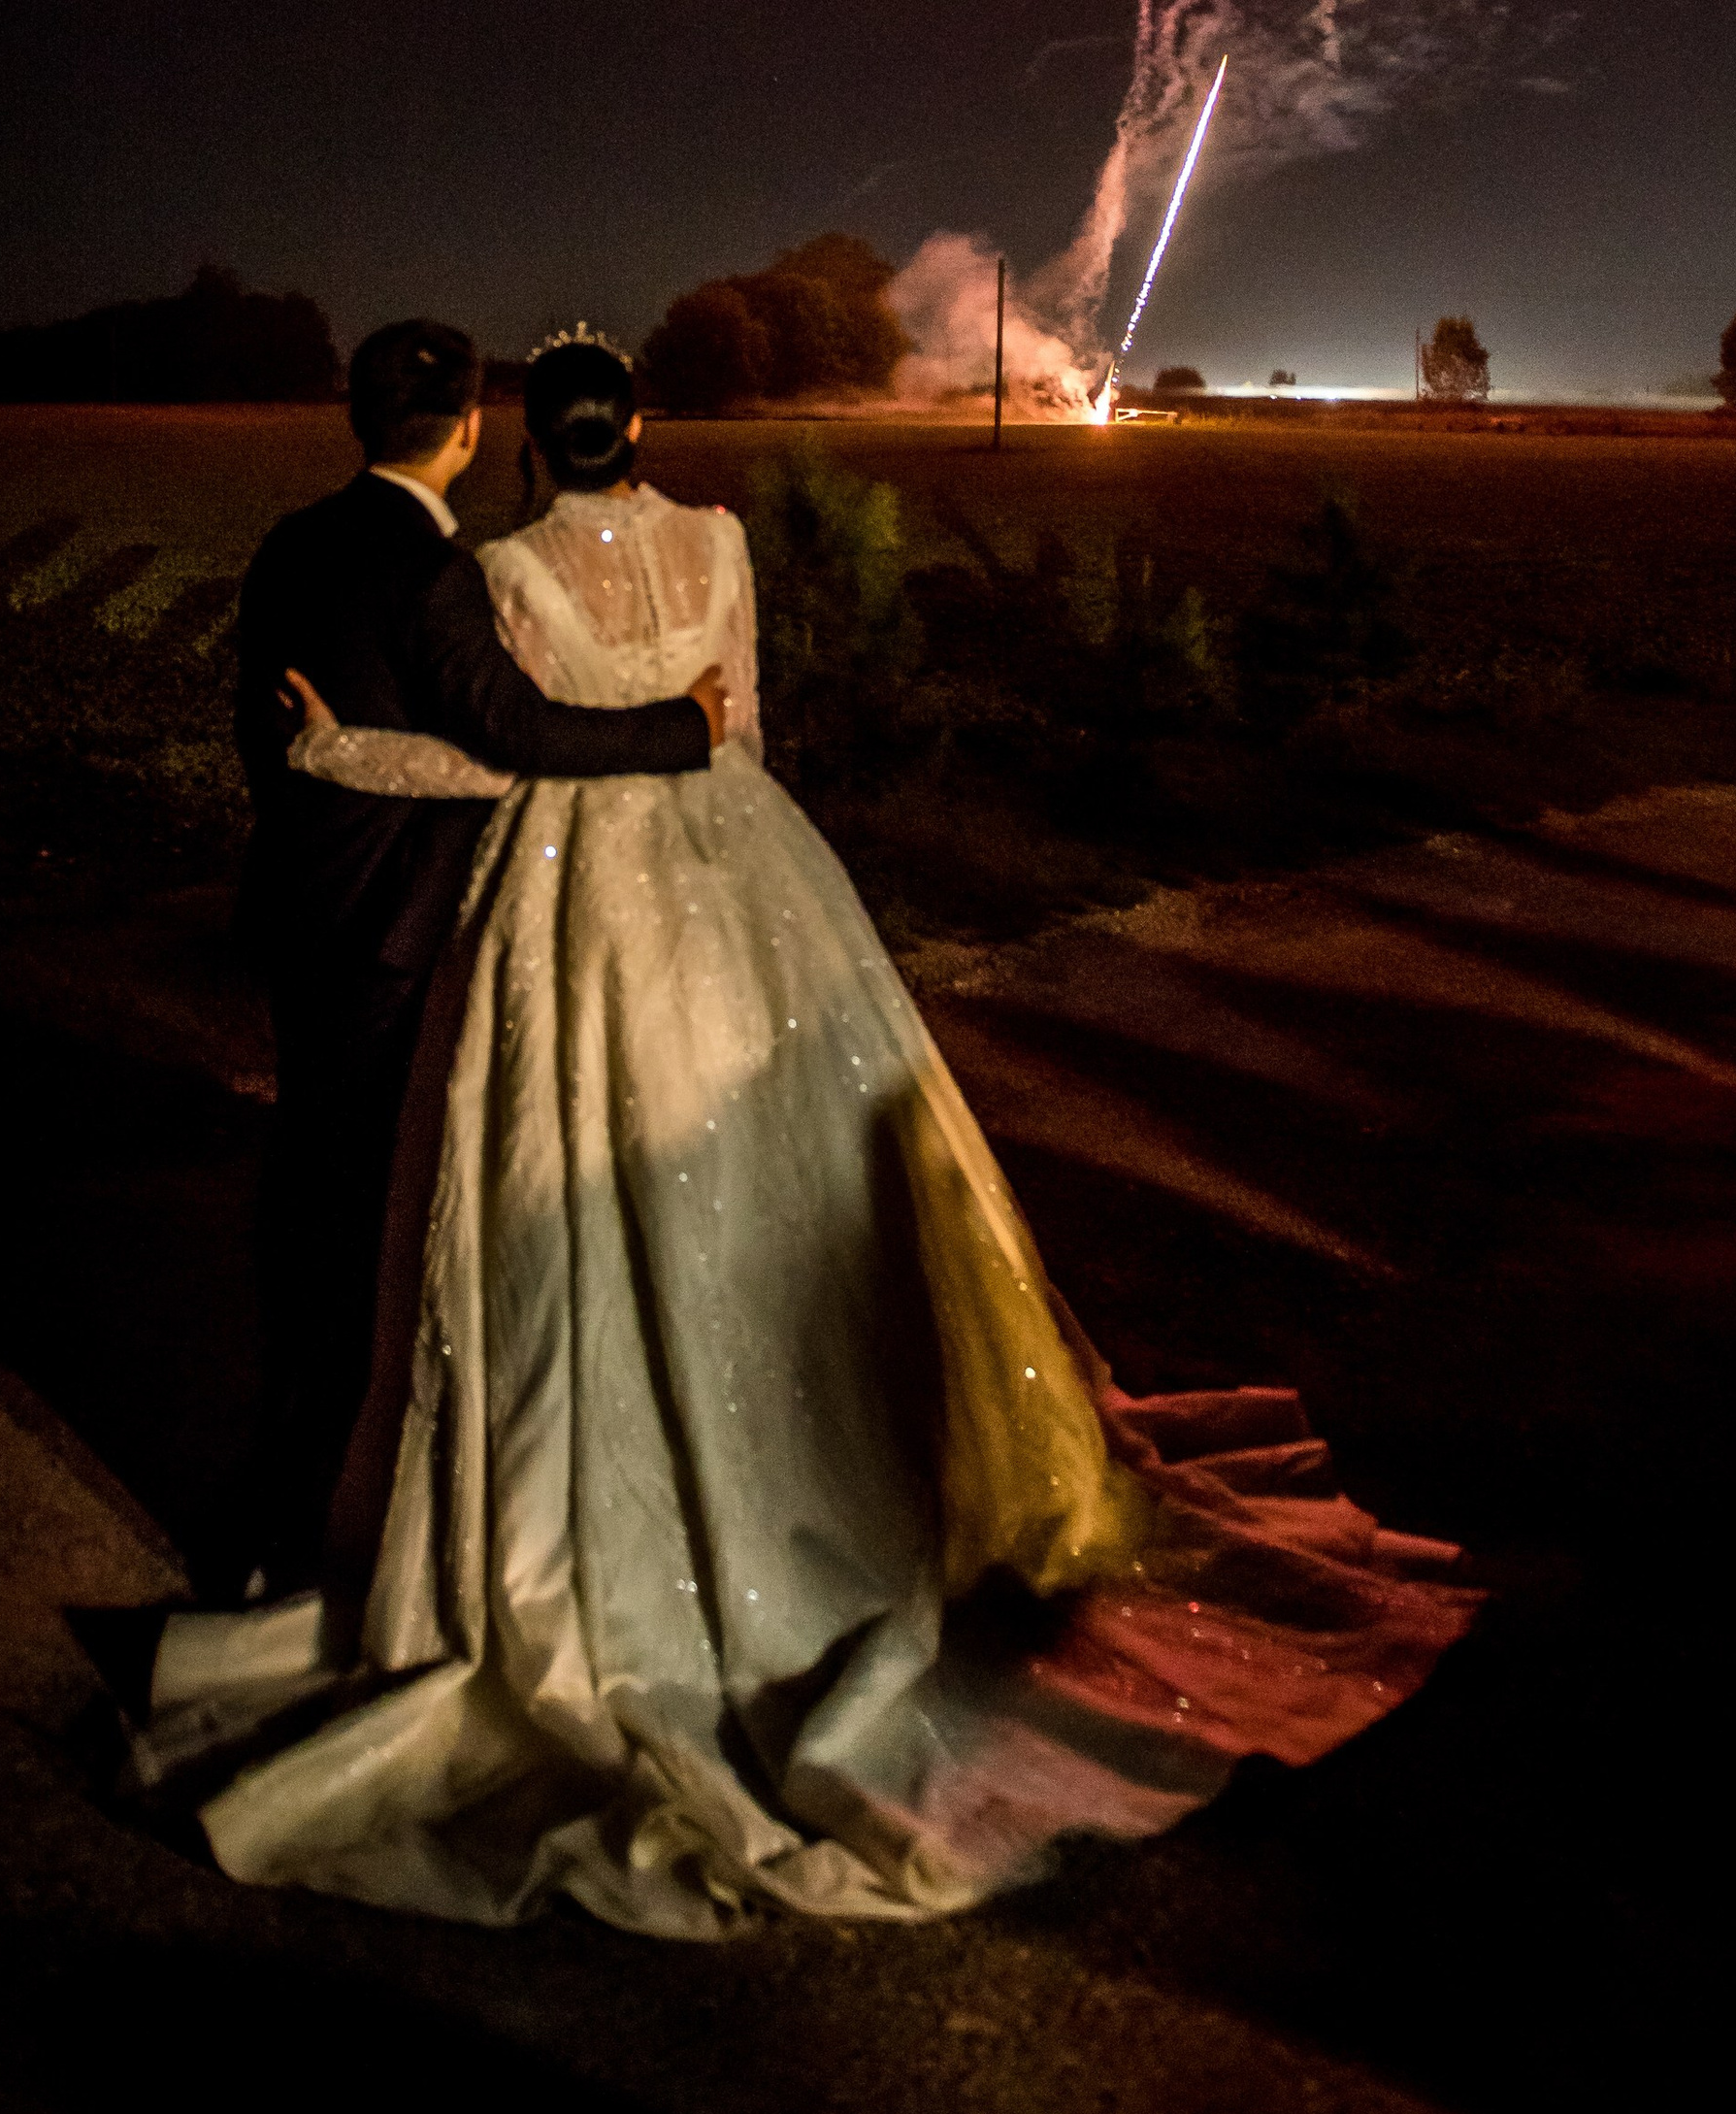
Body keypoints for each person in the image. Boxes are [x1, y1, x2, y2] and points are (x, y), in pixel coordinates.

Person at [142, 334, 1475, 1932]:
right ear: (637, 424)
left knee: (571, 1170)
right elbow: (741, 730)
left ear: (529, 444)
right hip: (737, 867)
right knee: (765, 1164)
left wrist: (340, 751)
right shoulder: (722, 544)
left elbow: (514, 753)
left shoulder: (499, 573)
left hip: (577, 898)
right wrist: (728, 853)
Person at [228, 317, 725, 1593]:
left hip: (300, 904)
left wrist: (324, 766)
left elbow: (262, 724)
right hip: (395, 925)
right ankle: (317, 1506)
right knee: (370, 1208)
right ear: (465, 430)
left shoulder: (289, 543)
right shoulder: (438, 574)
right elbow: (521, 738)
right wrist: (686, 727)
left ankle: (286, 1447)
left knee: (309, 1175)